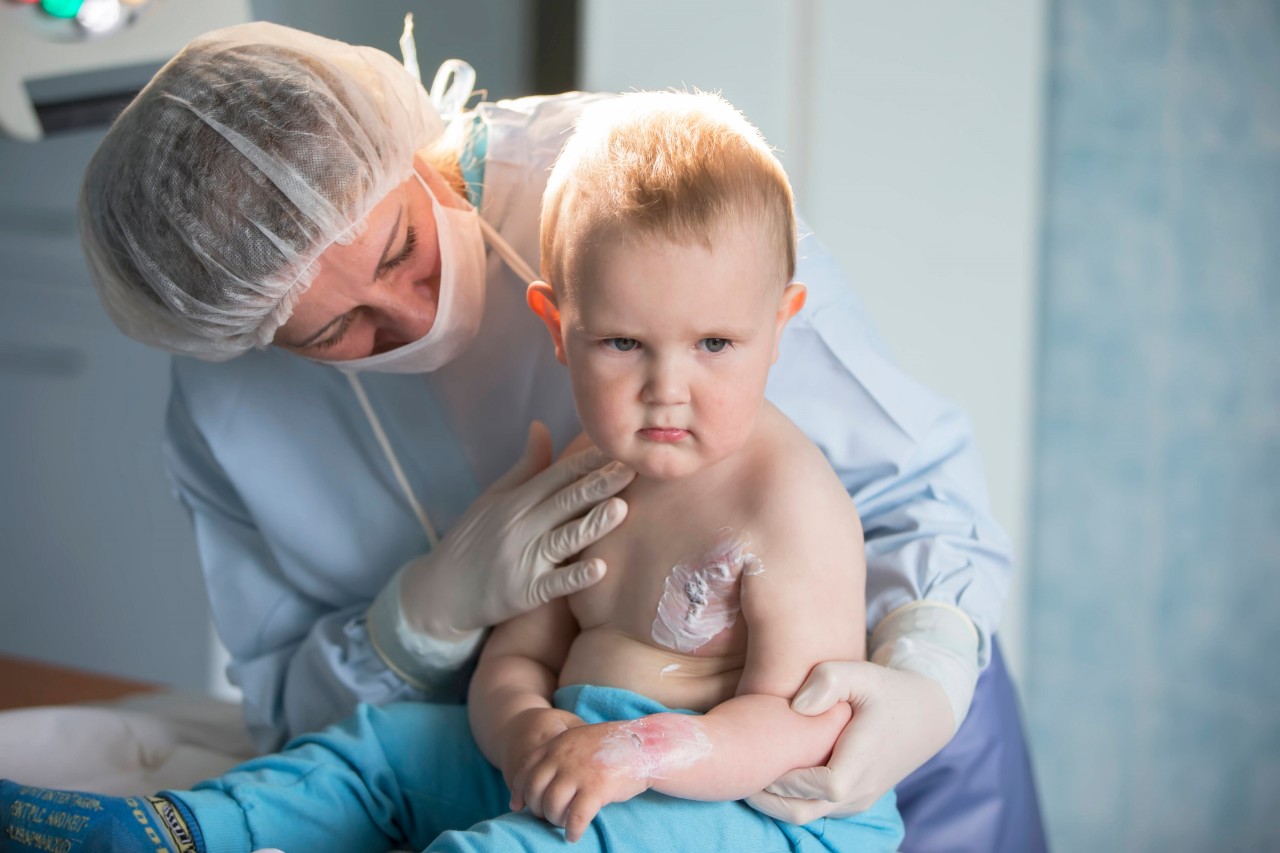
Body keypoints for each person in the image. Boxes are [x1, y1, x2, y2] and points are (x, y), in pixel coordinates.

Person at [66, 19, 1043, 852]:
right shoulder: (227, 397)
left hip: (834, 755)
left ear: (402, 147)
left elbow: (914, 495)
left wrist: (924, 682)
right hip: (529, 769)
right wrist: (424, 621)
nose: (399, 314)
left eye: (399, 247)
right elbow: (291, 712)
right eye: (331, 331)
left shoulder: (640, 203)